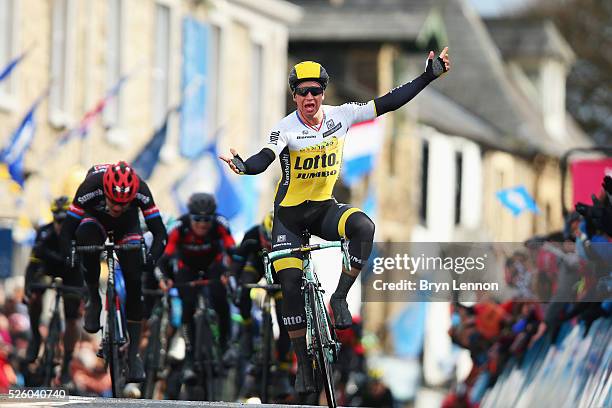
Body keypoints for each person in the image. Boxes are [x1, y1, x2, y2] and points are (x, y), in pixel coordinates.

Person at [220, 50, 450, 393]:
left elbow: (388, 102)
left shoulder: (340, 116)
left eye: (315, 91)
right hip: (290, 219)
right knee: (290, 289)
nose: (309, 98)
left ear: (323, 93)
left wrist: (427, 76)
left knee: (364, 227)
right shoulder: (285, 128)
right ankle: (302, 366)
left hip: (324, 209)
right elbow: (264, 158)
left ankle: (339, 297)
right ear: (294, 95)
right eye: (302, 92)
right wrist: (244, 166)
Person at [59, 161, 168, 383]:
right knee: (85, 239)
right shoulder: (90, 187)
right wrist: (70, 253)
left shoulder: (141, 190)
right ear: (105, 192)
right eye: (113, 202)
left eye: (124, 204)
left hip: (127, 227)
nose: (117, 208)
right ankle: (93, 299)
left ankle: (134, 353)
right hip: (94, 221)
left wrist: (151, 257)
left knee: (135, 281)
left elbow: (160, 234)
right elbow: (67, 230)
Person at [156, 192, 235, 384]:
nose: (202, 224)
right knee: (188, 306)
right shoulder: (179, 227)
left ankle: (225, 346)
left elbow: (233, 252)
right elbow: (163, 259)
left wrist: (230, 273)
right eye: (197, 219)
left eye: (207, 219)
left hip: (213, 267)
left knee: (221, 301)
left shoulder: (221, 225)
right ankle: (190, 359)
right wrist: (165, 278)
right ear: (190, 217)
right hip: (187, 269)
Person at [230, 211, 292, 398]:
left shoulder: (292, 236)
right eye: (267, 240)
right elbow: (237, 263)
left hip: (282, 272)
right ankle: (248, 329)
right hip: (257, 266)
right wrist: (234, 281)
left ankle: (281, 371)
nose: (270, 245)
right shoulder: (252, 235)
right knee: (243, 288)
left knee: (287, 321)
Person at [24, 196, 84, 384]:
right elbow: (32, 265)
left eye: (64, 220)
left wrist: (87, 292)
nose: (60, 225)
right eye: (56, 220)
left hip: (73, 273)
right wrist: (28, 288)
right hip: (49, 269)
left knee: (72, 318)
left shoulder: (80, 234)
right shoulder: (44, 233)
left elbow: (87, 269)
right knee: (35, 293)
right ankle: (35, 335)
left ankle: (67, 360)